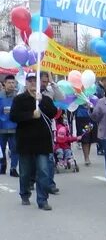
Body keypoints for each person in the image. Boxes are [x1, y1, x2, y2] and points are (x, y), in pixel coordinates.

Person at [10, 72, 58, 210]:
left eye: (34, 81)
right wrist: (31, 115)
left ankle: (42, 200)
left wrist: (41, 101)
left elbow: (53, 113)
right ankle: (25, 193)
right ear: (26, 83)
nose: (32, 83)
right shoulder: (19, 99)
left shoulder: (45, 98)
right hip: (25, 142)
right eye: (30, 81)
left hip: (42, 142)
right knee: (25, 172)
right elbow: (14, 116)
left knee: (43, 171)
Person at [1, 74, 19, 177]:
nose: (11, 85)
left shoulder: (18, 96)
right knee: (1, 148)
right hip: (2, 127)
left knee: (15, 148)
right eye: (9, 83)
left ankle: (13, 168)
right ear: (4, 83)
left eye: (13, 83)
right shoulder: (0, 96)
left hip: (14, 127)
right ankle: (2, 165)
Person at [74, 96, 97, 166]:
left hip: (91, 115)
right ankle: (86, 158)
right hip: (81, 116)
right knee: (85, 137)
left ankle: (87, 156)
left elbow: (95, 101)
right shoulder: (77, 92)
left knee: (90, 137)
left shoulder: (91, 92)